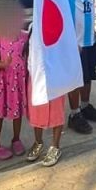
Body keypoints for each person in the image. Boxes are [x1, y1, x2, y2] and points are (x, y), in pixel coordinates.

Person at [65, 0, 96, 134]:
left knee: (87, 77)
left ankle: (85, 106)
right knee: (75, 80)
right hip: (75, 45)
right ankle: (74, 115)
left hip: (90, 41)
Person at [24, 27, 65, 167]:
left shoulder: (58, 22)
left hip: (55, 75)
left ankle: (55, 146)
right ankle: (38, 142)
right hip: (36, 75)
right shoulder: (33, 26)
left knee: (56, 110)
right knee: (37, 110)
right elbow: (29, 51)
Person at [0, 25, 27, 160]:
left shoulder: (24, 37)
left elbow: (27, 55)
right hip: (3, 84)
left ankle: (16, 139)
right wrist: (3, 64)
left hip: (19, 83)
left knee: (18, 112)